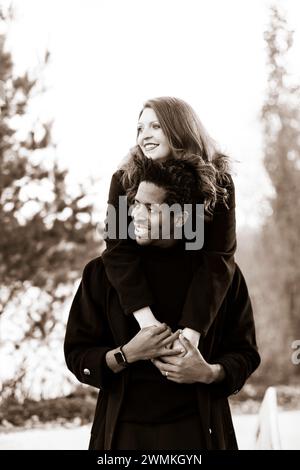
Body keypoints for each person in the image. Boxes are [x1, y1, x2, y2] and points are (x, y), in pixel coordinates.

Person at [64, 157, 260, 450]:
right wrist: (127, 354)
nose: (135, 215)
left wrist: (208, 372)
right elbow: (78, 354)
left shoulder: (219, 277)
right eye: (135, 204)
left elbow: (245, 354)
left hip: (199, 432)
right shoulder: (102, 273)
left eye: (149, 208)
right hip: (122, 436)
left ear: (180, 217)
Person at [102, 96, 236, 350]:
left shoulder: (220, 183)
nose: (144, 136)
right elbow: (117, 248)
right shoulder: (124, 179)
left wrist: (192, 333)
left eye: (155, 126)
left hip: (194, 300)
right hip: (139, 302)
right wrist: (148, 323)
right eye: (140, 128)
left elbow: (218, 256)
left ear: (179, 127)